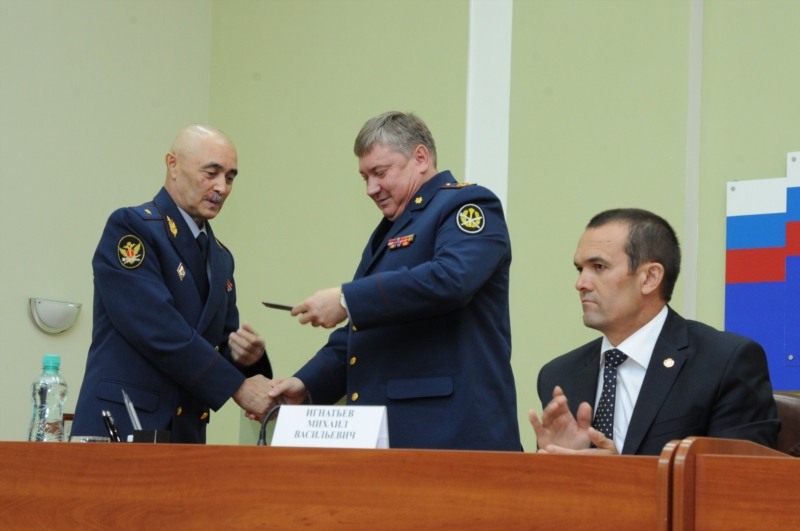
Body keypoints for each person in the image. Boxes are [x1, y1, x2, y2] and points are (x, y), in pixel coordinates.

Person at [268, 111, 521, 450]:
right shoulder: (390, 230)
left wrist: (346, 299)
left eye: (380, 173)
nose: (371, 189)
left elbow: (451, 280)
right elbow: (363, 332)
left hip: (452, 435)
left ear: (420, 158)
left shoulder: (468, 204)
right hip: (397, 439)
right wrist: (306, 383)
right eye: (364, 177)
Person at [72, 124, 274, 443]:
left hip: (185, 435)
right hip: (124, 428)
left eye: (230, 177)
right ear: (173, 165)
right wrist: (236, 387)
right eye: (211, 173)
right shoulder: (133, 228)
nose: (222, 187)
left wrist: (247, 359)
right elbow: (157, 327)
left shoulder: (221, 257)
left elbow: (219, 342)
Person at [530, 208, 780, 455]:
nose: (581, 283)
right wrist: (557, 465)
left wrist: (616, 472)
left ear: (650, 278)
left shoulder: (724, 362)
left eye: (599, 266)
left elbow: (742, 476)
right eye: (579, 269)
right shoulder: (560, 374)